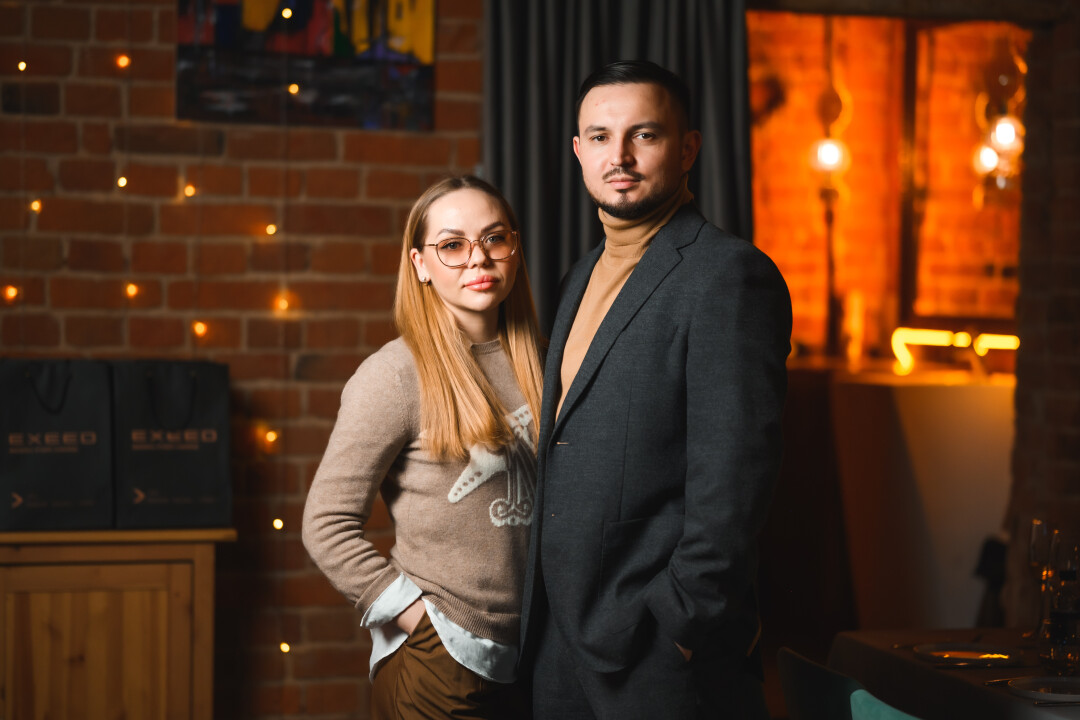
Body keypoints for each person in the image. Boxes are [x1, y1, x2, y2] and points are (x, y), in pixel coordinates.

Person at [519, 61, 793, 719]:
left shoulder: (729, 276)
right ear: (578, 151)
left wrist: (678, 627)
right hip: (558, 647)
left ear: (688, 148)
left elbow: (735, 481)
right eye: (600, 136)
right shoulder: (578, 276)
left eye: (644, 135)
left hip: (656, 653)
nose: (619, 156)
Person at [303, 175, 544, 719]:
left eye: (494, 238)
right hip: (442, 664)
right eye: (452, 245)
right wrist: (424, 624)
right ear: (420, 264)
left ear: (514, 247)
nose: (478, 258)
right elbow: (326, 523)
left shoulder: (547, 362)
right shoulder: (394, 375)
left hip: (534, 659)